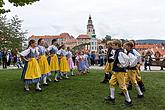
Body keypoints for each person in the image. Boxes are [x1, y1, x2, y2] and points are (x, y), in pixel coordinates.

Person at [104, 39, 132, 106]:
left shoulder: (120, 52)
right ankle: (112, 97)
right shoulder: (117, 51)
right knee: (111, 82)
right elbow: (115, 57)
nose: (112, 46)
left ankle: (129, 101)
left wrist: (123, 66)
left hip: (120, 72)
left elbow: (128, 59)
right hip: (116, 71)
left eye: (113, 45)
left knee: (122, 86)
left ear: (117, 45)